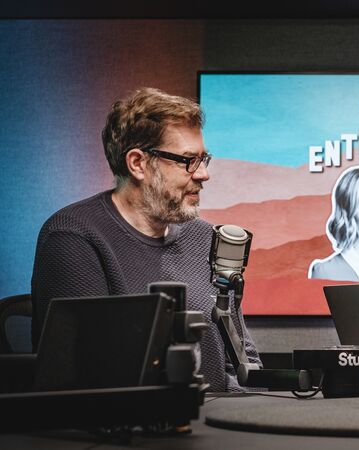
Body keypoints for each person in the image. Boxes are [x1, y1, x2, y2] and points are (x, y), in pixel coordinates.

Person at [30, 87, 262, 392]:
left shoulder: (206, 238)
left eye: (204, 159)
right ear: (138, 163)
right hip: (134, 429)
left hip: (219, 424)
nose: (203, 174)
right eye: (188, 160)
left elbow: (242, 360)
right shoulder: (74, 237)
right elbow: (83, 373)